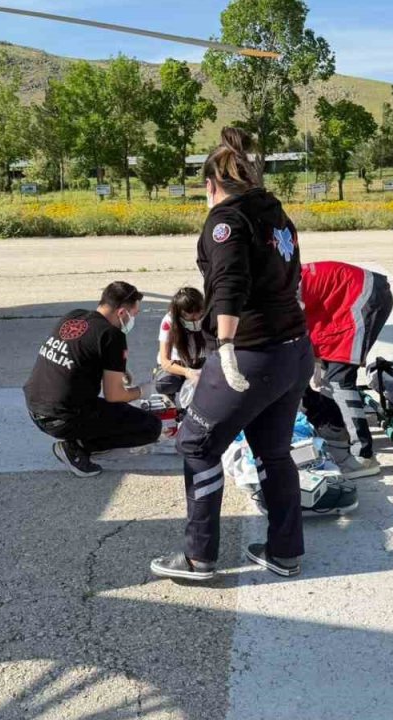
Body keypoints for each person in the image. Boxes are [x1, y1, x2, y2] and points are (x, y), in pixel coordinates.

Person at [149, 128, 314, 583]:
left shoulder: (226, 219)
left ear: (210, 184)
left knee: (196, 444)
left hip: (252, 352)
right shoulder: (276, 214)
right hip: (294, 350)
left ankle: (198, 556)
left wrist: (224, 346)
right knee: (274, 452)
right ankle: (285, 552)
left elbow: (229, 282)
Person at [24, 281, 162, 477]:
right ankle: (78, 448)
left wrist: (118, 368)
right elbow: (114, 395)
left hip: (35, 408)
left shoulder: (73, 316)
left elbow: (80, 351)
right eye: (134, 314)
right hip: (63, 417)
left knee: (111, 411)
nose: (133, 319)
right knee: (150, 427)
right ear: (122, 312)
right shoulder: (112, 335)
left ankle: (84, 438)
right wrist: (142, 391)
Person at [300, 261, 393, 479]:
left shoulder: (274, 290)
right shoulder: (271, 282)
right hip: (340, 302)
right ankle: (337, 435)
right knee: (328, 377)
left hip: (362, 297)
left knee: (338, 381)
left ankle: (363, 456)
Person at [154, 287, 208, 402]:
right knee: (165, 383)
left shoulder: (210, 316)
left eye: (199, 315)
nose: (195, 320)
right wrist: (188, 372)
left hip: (202, 362)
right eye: (190, 318)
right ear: (179, 314)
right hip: (178, 365)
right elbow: (165, 361)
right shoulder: (169, 321)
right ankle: (169, 399)